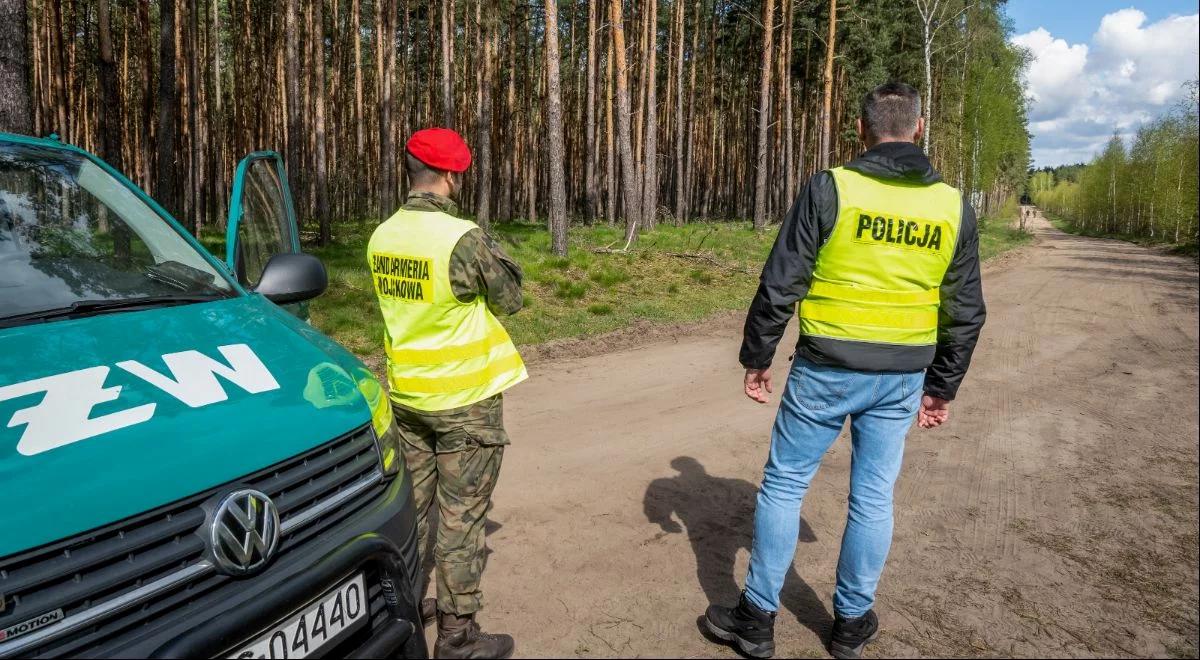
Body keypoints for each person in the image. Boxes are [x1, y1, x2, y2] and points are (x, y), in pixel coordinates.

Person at [702, 82, 986, 659]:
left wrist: (758, 357)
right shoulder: (952, 205)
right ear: (920, 129)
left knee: (784, 484)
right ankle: (851, 625)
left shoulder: (832, 187)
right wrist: (942, 386)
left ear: (861, 129)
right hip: (903, 374)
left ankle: (756, 620)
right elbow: (966, 308)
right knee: (873, 498)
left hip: (826, 368)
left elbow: (781, 282)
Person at [367, 127, 526, 659]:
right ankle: (457, 636)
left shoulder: (381, 236)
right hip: (464, 404)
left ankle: (405, 606)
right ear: (451, 175)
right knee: (461, 516)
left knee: (413, 509)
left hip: (408, 397)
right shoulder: (463, 238)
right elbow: (511, 298)